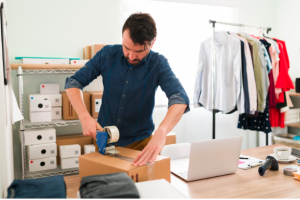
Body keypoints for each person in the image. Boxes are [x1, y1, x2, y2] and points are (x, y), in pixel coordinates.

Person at [65, 12, 189, 166]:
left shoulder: (159, 64)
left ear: (153, 43)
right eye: (126, 48)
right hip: (105, 139)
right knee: (107, 186)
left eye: (139, 51)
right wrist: (84, 117)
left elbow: (180, 98)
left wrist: (162, 132)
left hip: (140, 145)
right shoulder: (106, 55)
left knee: (139, 188)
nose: (131, 56)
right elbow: (73, 83)